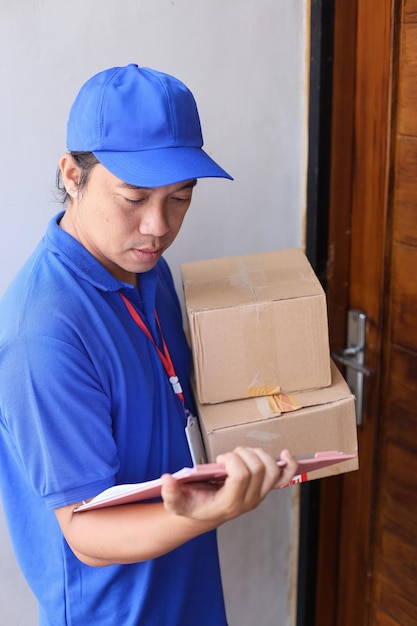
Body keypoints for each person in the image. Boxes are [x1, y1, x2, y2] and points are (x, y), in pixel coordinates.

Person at [0, 63, 297, 625]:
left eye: (180, 198)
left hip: (189, 594)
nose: (158, 226)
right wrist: (211, 512)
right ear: (72, 174)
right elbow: (85, 533)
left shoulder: (147, 273)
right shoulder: (42, 333)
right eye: (133, 198)